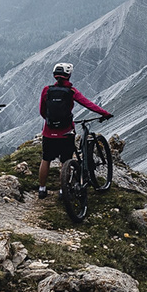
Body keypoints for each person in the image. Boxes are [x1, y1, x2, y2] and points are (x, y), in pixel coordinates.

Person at [36, 61, 110, 198]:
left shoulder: (47, 90)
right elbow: (88, 104)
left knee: (46, 159)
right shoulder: (71, 91)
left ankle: (42, 189)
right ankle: (63, 190)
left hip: (48, 132)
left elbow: (42, 111)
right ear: (68, 76)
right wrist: (104, 113)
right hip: (66, 132)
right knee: (65, 162)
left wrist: (50, 122)